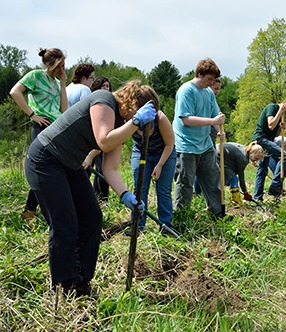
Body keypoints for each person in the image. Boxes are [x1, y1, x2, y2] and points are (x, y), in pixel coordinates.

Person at [23, 79, 158, 297]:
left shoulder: (122, 123)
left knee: (92, 217)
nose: (140, 126)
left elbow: (110, 169)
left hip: (69, 165)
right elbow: (104, 141)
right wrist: (134, 121)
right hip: (45, 160)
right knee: (65, 223)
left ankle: (81, 281)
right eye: (140, 116)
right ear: (133, 102)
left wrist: (126, 196)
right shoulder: (104, 100)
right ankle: (63, 287)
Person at [10, 47, 67, 221]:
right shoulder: (35, 75)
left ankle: (33, 209)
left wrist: (63, 84)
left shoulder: (57, 83)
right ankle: (31, 211)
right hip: (42, 125)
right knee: (41, 168)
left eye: (64, 66)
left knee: (53, 168)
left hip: (56, 126)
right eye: (59, 66)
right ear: (50, 65)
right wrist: (32, 114)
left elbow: (63, 109)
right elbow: (15, 92)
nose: (62, 70)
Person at [172, 58, 225, 219]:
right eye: (209, 79)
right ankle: (182, 216)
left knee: (213, 179)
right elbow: (186, 119)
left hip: (205, 144)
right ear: (199, 74)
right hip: (186, 145)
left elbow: (214, 115)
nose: (211, 83)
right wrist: (212, 122)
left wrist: (219, 129)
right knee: (185, 183)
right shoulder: (186, 91)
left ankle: (218, 213)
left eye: (213, 80)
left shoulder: (208, 92)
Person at [127, 103, 176, 235]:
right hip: (141, 152)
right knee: (140, 189)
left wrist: (159, 165)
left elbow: (170, 144)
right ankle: (137, 226)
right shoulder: (131, 118)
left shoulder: (160, 118)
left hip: (164, 152)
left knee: (163, 190)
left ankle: (166, 226)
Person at [251, 96, 286, 201]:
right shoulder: (272, 107)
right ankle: (275, 186)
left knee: (262, 169)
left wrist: (281, 129)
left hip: (269, 140)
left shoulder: (281, 115)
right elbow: (270, 125)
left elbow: (275, 134)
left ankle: (257, 197)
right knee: (285, 157)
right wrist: (279, 113)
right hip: (261, 139)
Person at [82, 77, 112, 204]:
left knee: (103, 170)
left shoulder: (110, 105)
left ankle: (102, 199)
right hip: (90, 141)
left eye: (107, 86)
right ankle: (84, 197)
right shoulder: (93, 103)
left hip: (104, 142)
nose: (105, 88)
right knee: (86, 168)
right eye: (102, 86)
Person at [195, 77, 222, 196]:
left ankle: (203, 194)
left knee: (209, 168)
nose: (216, 92)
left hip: (211, 139)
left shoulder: (213, 103)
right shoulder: (201, 99)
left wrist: (220, 131)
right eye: (215, 88)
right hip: (201, 139)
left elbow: (217, 120)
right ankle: (198, 193)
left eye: (218, 89)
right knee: (200, 168)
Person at [215, 141, 265, 206]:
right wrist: (245, 192)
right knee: (234, 179)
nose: (256, 161)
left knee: (205, 175)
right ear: (251, 152)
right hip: (218, 156)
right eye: (256, 158)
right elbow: (241, 177)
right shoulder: (243, 158)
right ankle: (237, 202)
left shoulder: (244, 149)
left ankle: (198, 194)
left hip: (219, 152)